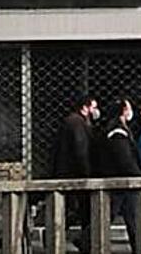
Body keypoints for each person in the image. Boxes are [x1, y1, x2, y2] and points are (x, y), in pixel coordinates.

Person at [93, 99, 141, 253]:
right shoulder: (117, 132)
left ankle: (139, 246)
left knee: (117, 215)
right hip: (123, 181)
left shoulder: (116, 130)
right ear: (122, 111)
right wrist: (137, 174)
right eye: (128, 108)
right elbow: (124, 159)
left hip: (121, 180)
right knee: (123, 215)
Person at [53, 95, 98, 252]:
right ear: (85, 108)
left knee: (73, 209)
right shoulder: (77, 123)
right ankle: (84, 241)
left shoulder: (72, 122)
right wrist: (87, 172)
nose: (95, 111)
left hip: (68, 172)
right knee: (79, 209)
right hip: (75, 174)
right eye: (93, 107)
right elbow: (81, 150)